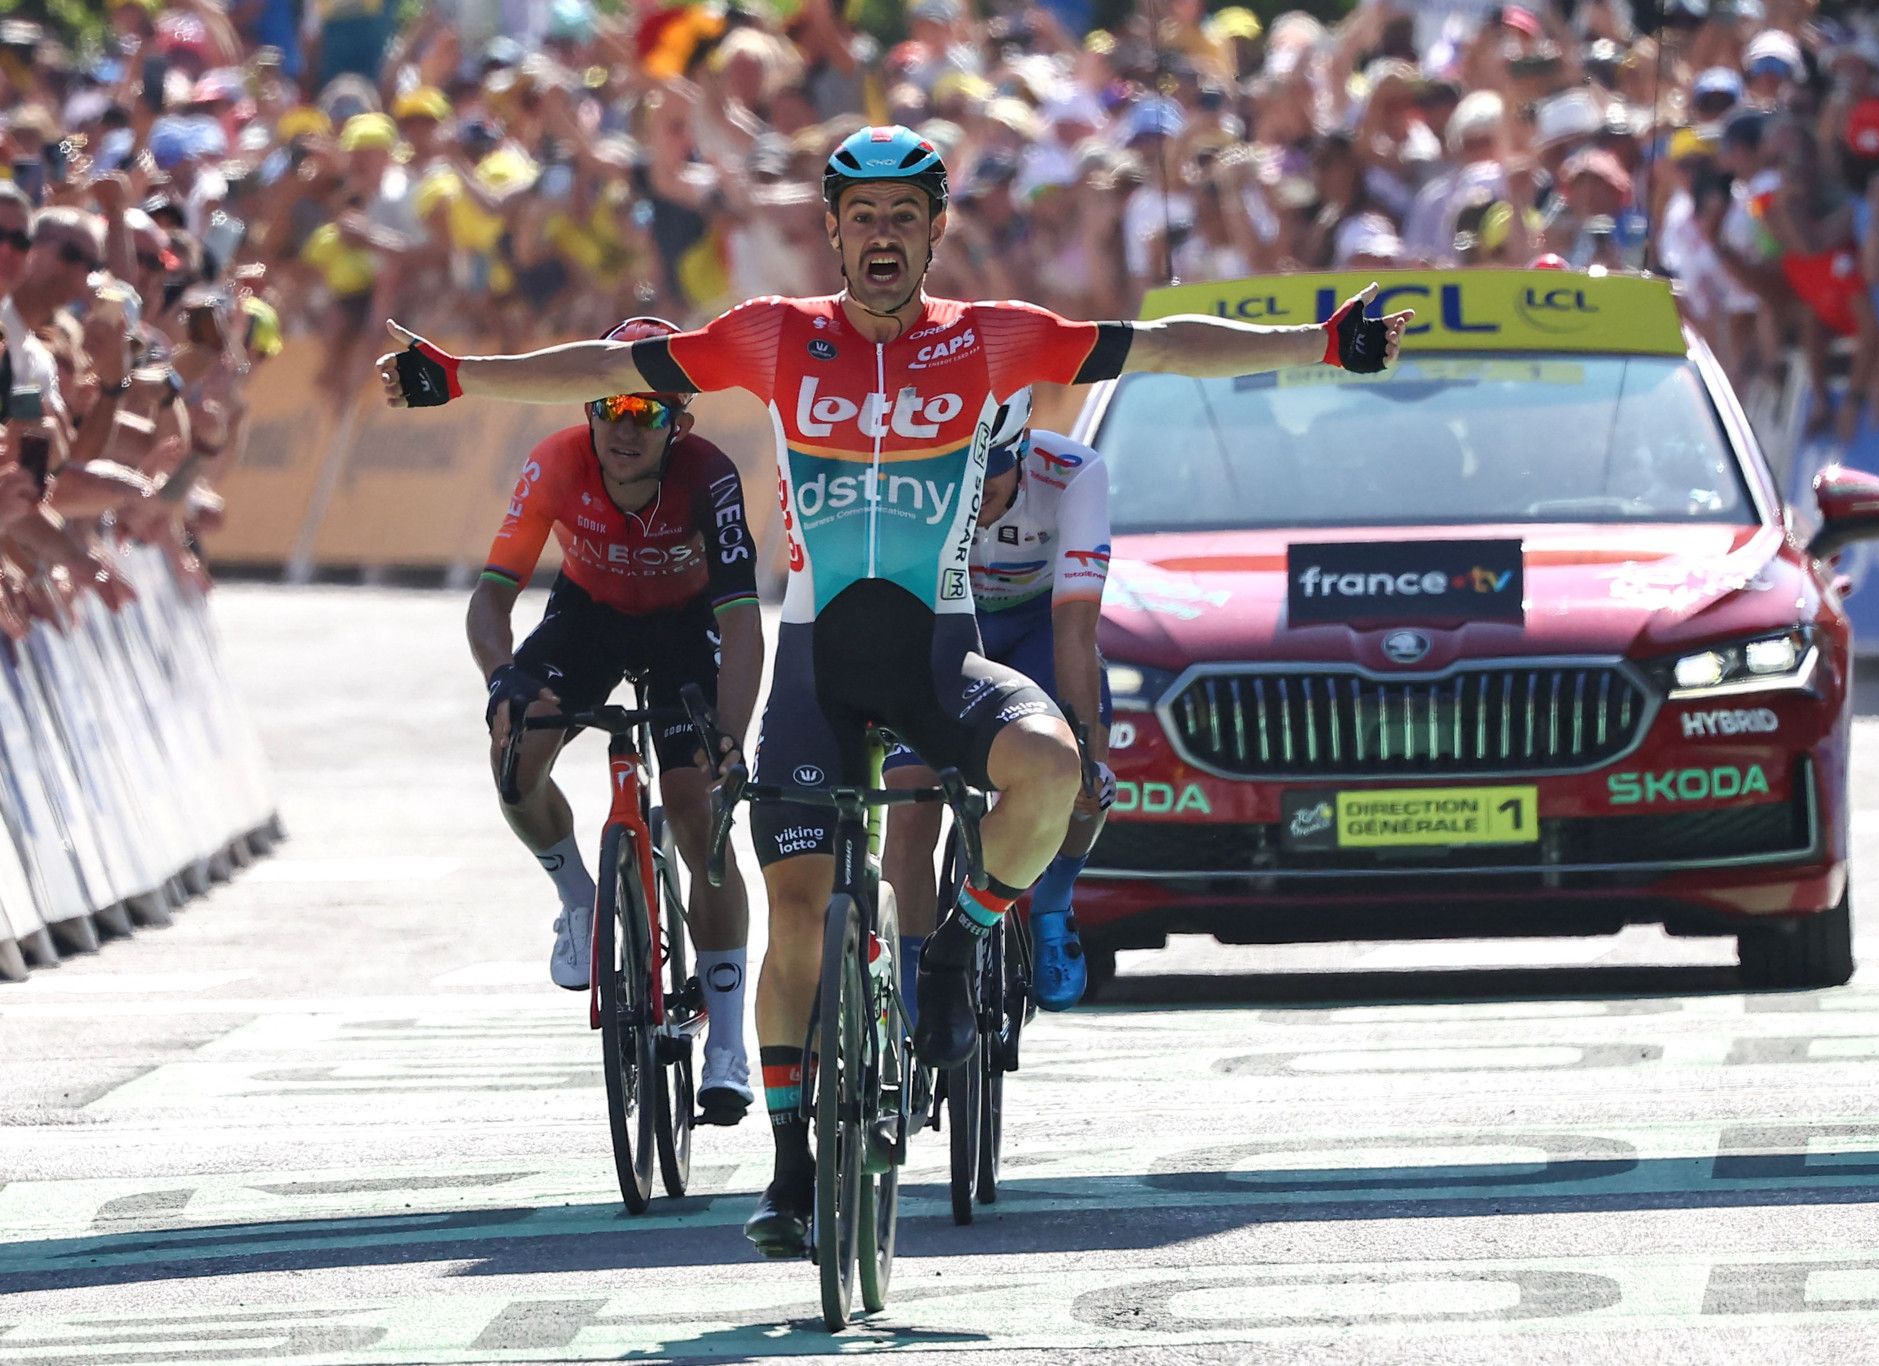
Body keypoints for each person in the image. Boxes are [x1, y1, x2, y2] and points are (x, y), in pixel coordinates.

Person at [376, 124, 1411, 1259]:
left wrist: (1321, 344)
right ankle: (786, 1168)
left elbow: (1162, 348)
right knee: (800, 926)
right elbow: (607, 370)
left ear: (933, 232)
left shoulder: (994, 342)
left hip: (939, 658)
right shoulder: (771, 339)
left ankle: (963, 943)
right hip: (819, 666)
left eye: (902, 218)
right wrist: (460, 375)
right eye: (860, 217)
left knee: (1052, 772)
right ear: (831, 230)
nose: (880, 237)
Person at [466, 316, 765, 1123]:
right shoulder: (557, 462)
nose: (623, 428)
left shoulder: (709, 475)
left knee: (700, 814)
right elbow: (491, 598)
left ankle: (729, 1046)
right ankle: (579, 899)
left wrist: (731, 738)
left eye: (647, 414)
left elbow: (742, 624)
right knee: (515, 750)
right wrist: (502, 681)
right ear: (586, 409)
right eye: (609, 407)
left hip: (685, 628)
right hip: (589, 614)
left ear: (681, 425)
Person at [880, 387, 1112, 1013]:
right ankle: (908, 993)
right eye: (960, 478)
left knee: (1082, 776)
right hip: (947, 625)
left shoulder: (1074, 474)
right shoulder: (906, 473)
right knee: (909, 800)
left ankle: (1054, 900)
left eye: (992, 476)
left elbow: (1074, 629)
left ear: (1024, 451)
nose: (975, 495)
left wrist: (1085, 742)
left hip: (1039, 624)